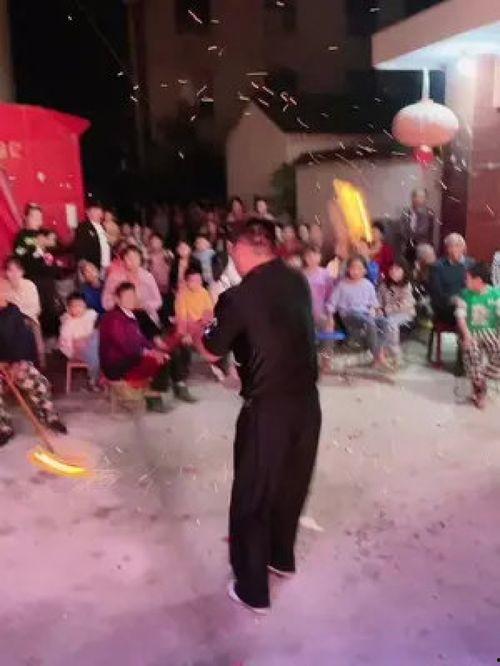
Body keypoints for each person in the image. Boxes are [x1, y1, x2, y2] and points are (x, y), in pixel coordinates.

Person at [194, 219, 321, 614]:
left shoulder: (239, 297)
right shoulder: (297, 280)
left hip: (268, 412)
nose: (231, 254)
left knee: (253, 497)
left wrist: (197, 330)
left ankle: (252, 590)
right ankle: (280, 558)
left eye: (233, 248)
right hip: (307, 406)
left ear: (243, 248)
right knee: (290, 486)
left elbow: (212, 349)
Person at [0, 282, 66, 446]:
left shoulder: (14, 312)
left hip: (16, 362)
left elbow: (24, 341)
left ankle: (49, 417)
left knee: (40, 384)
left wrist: (18, 362)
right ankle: (3, 428)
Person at [99, 282, 171, 412]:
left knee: (164, 357)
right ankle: (148, 394)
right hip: (116, 364)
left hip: (128, 358)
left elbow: (140, 339)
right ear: (117, 299)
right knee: (159, 361)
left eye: (132, 296)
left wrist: (153, 350)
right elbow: (126, 347)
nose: (131, 300)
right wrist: (150, 354)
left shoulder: (130, 315)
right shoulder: (114, 318)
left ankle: (150, 393)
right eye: (127, 297)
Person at [327, 255, 391, 369]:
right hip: (349, 315)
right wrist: (329, 317)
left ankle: (378, 354)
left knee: (385, 323)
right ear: (348, 269)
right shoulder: (342, 285)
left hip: (365, 315)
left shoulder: (368, 285)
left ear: (365, 271)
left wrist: (378, 310)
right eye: (353, 268)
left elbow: (374, 302)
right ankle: (379, 357)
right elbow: (332, 303)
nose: (356, 271)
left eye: (359, 268)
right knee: (369, 323)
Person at [455, 262, 500, 409]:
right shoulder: (464, 295)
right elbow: (460, 317)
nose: (465, 281)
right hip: (471, 332)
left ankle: (482, 380)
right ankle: (480, 391)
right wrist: (467, 336)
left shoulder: (495, 294)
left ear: (478, 280)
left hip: (490, 332)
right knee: (471, 354)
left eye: (468, 278)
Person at [102, 245, 162, 328]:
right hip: (122, 316)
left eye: (136, 257)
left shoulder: (147, 276)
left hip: (145, 314)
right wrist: (121, 303)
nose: (133, 261)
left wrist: (143, 305)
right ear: (123, 260)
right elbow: (105, 302)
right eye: (129, 257)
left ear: (140, 259)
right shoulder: (114, 277)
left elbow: (158, 301)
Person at [429, 233, 474, 325]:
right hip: (447, 307)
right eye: (450, 246)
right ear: (447, 249)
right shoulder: (438, 266)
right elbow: (437, 293)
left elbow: (476, 285)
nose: (454, 250)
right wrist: (453, 300)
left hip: (470, 304)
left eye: (457, 246)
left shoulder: (471, 264)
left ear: (464, 248)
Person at [59, 293, 100, 389]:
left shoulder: (90, 316)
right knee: (93, 347)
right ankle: (93, 379)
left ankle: (99, 376)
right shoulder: (68, 323)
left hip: (93, 344)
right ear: (69, 308)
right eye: (75, 306)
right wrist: (71, 354)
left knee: (97, 336)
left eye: (81, 306)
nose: (78, 309)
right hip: (79, 349)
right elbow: (64, 343)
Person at [378, 259, 416, 364]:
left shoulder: (406, 286)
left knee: (391, 323)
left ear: (404, 271)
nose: (394, 271)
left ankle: (395, 353)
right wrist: (378, 309)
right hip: (386, 313)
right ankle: (382, 352)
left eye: (398, 269)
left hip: (404, 313)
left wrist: (386, 310)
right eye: (392, 268)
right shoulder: (384, 285)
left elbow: (405, 304)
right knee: (379, 322)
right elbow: (379, 300)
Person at [399, 188, 437, 263]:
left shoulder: (429, 213)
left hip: (423, 244)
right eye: (418, 197)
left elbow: (424, 231)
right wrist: (408, 239)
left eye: (423, 197)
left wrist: (412, 236)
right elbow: (402, 230)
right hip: (407, 244)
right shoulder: (405, 212)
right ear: (412, 198)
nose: (420, 200)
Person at [302, 245, 335, 329]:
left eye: (315, 255)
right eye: (309, 256)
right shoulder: (300, 275)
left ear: (320, 257)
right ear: (304, 257)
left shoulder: (325, 274)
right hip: (303, 315)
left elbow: (330, 296)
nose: (312, 258)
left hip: (321, 314)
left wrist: (329, 315)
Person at [74, 201, 111, 273]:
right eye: (95, 210)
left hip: (106, 265)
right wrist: (85, 265)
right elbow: (80, 247)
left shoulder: (103, 227)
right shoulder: (83, 227)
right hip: (93, 267)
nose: (98, 212)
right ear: (88, 213)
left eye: (99, 210)